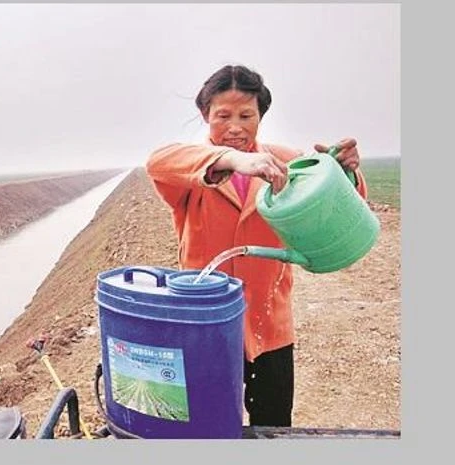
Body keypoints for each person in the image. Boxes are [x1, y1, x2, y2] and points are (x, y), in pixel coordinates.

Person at [145, 64, 368, 427]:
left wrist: (345, 172)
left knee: (274, 422)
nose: (235, 126)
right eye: (223, 115)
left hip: (270, 322)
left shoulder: (285, 161)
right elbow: (157, 161)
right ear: (205, 115)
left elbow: (340, 203)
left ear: (261, 115)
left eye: (246, 115)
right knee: (208, 422)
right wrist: (232, 160)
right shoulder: (194, 167)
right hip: (207, 323)